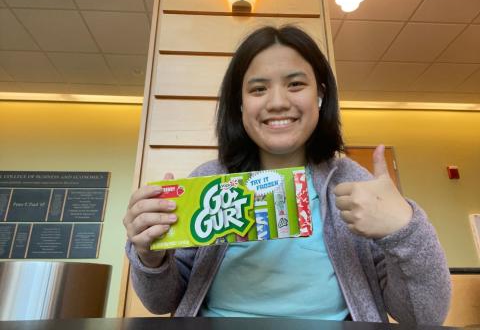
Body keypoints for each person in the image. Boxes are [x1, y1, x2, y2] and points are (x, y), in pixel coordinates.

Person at [123, 26, 451, 324]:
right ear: (239, 103)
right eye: (258, 89)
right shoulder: (209, 182)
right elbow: (161, 301)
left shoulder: (353, 183)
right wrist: (150, 257)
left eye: (295, 84)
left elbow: (422, 316)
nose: (278, 102)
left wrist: (405, 229)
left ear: (320, 95)